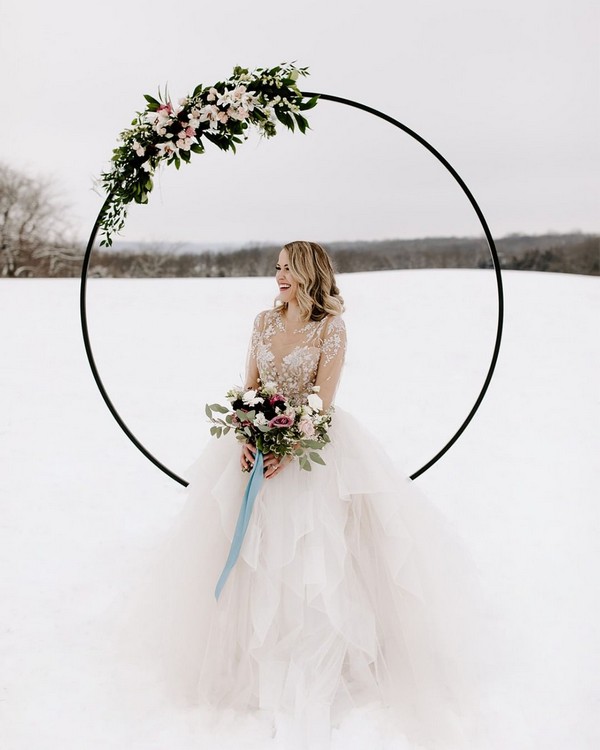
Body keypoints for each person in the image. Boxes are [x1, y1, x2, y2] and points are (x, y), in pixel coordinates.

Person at [107, 241, 496, 749]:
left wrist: (288, 449)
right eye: (276, 268)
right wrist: (247, 434)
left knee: (314, 557)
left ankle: (313, 653)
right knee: (246, 551)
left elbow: (323, 403)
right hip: (255, 446)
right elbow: (247, 386)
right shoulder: (263, 322)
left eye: (287, 268)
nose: (279, 277)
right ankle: (245, 659)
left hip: (308, 448)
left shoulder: (331, 329)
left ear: (310, 272)